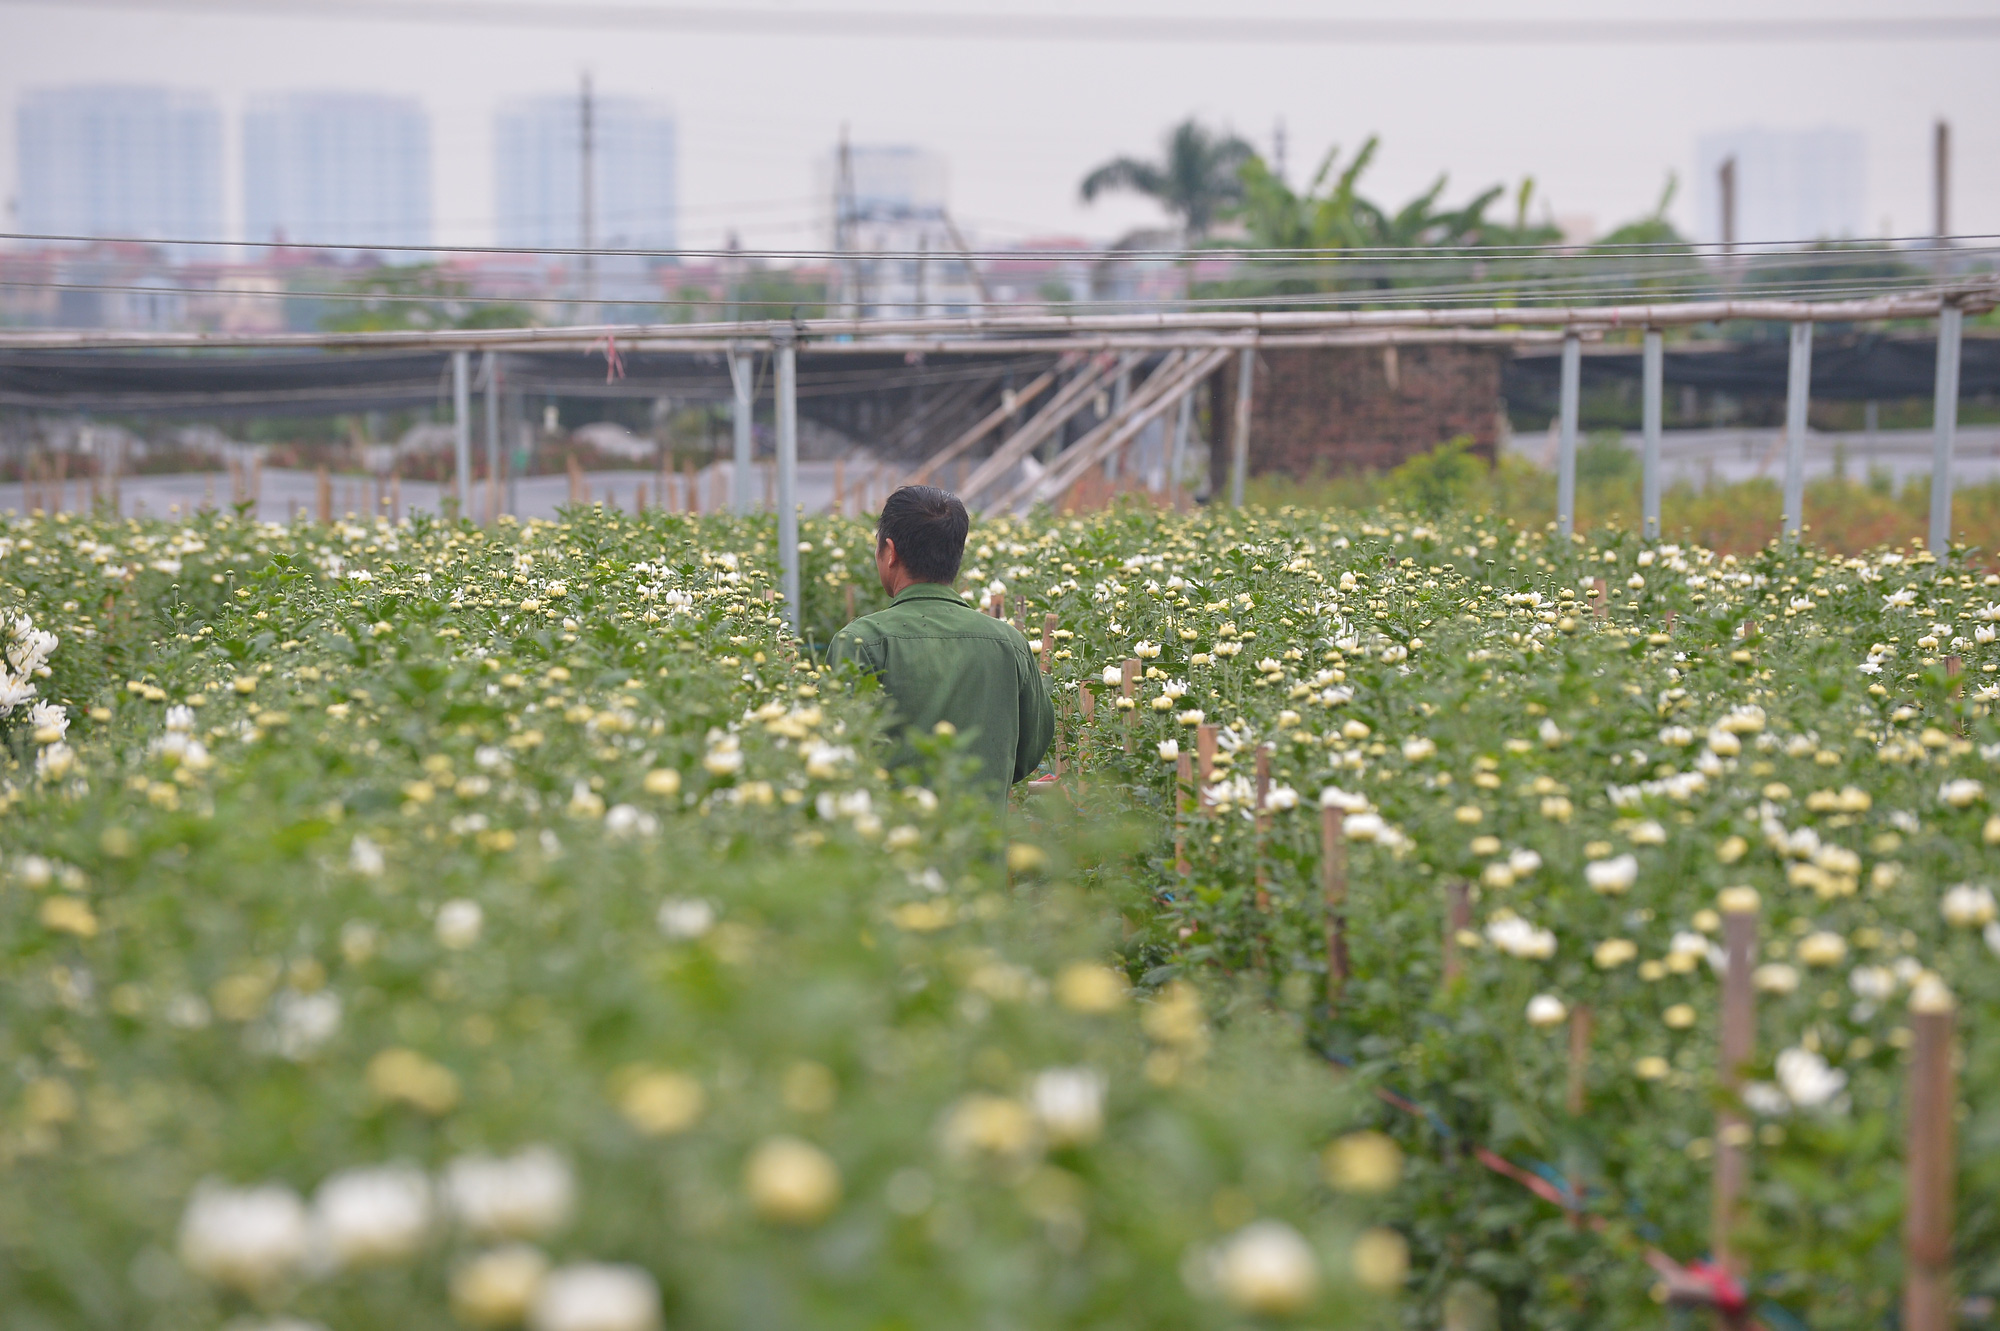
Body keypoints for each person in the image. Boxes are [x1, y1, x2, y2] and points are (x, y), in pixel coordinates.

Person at [829, 485, 1054, 797]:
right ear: (956, 554)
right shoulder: (1009, 644)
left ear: (890, 552)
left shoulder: (861, 643)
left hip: (883, 841)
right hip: (979, 839)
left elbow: (837, 756)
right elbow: (1029, 750)